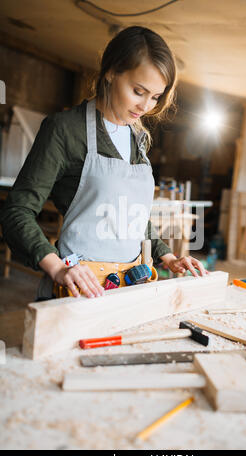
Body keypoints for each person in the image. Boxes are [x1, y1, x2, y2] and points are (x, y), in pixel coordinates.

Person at [0, 26, 207, 300]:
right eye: (138, 91)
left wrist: (168, 257)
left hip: (130, 289)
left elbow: (132, 218)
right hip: (78, 287)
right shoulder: (65, 130)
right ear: (111, 72)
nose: (146, 106)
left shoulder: (139, 139)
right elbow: (17, 212)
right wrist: (57, 268)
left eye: (155, 97)